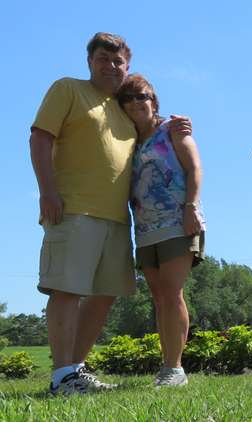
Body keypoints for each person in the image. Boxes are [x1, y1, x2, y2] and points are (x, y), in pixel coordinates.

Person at [29, 32, 191, 395]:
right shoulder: (68, 89)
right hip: (73, 209)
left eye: (118, 61)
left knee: (104, 294)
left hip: (118, 219)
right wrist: (47, 191)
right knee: (67, 289)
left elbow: (152, 132)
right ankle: (60, 376)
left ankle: (75, 370)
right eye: (103, 59)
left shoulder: (122, 108)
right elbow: (40, 137)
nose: (111, 66)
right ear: (90, 62)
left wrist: (177, 126)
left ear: (127, 66)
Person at [117, 74, 204, 387]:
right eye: (129, 98)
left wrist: (191, 207)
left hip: (177, 222)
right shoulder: (128, 141)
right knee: (158, 297)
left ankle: (175, 368)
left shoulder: (172, 129)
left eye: (142, 96)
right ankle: (166, 366)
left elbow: (194, 167)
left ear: (153, 100)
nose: (137, 103)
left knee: (172, 292)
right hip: (145, 228)